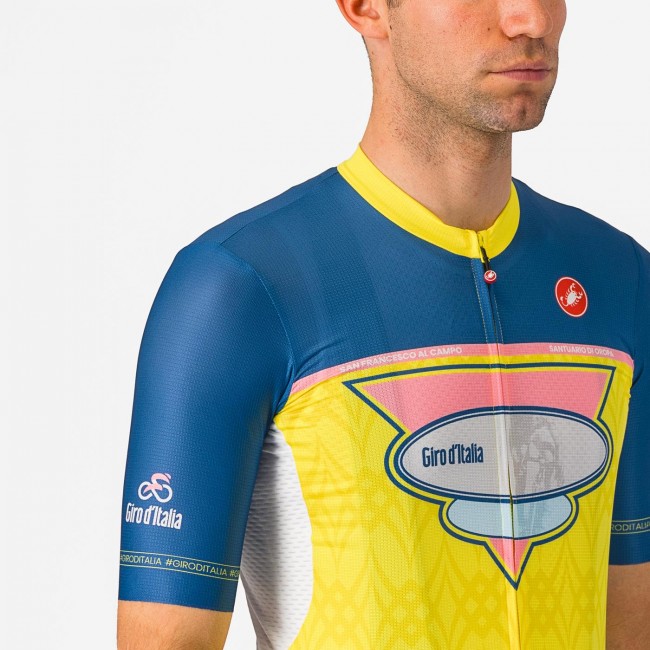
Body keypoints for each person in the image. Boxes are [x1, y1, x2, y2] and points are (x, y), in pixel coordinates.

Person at [117, 0, 650, 648]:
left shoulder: (621, 279)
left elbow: (632, 626)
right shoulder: (240, 289)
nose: (530, 19)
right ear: (365, 7)